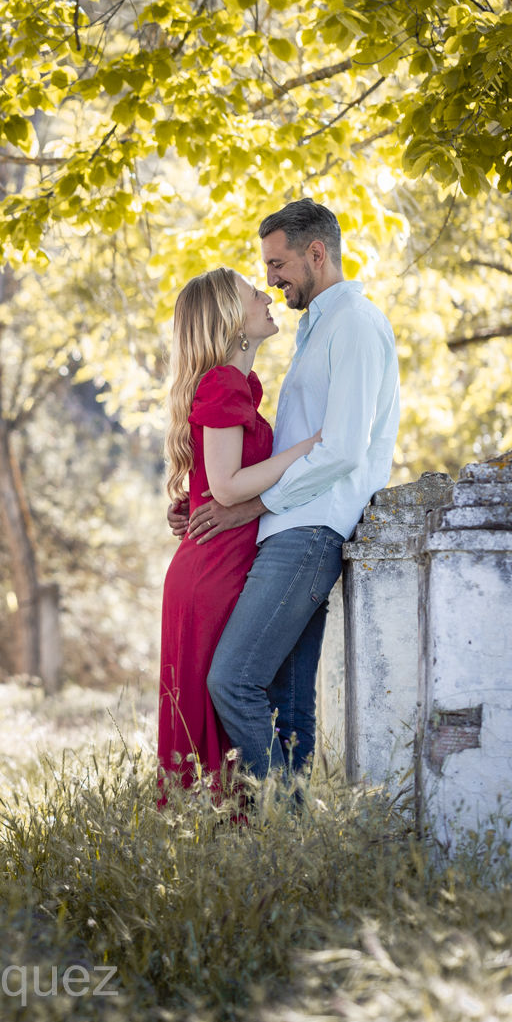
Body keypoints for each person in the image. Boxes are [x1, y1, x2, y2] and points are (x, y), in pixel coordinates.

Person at [169, 199, 400, 788]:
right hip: (286, 530)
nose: (270, 279)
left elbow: (344, 448)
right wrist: (203, 500)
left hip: (308, 530)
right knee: (288, 706)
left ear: (316, 254)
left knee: (232, 680)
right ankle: (292, 842)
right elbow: (255, 453)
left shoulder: (352, 323)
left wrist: (249, 506)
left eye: (277, 264)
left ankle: (287, 824)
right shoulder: (314, 332)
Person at [156, 268, 322, 801]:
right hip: (214, 572)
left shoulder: (237, 386)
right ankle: (251, 839)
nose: (267, 294)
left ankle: (244, 844)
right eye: (255, 292)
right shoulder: (224, 383)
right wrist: (311, 449)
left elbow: (215, 482)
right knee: (229, 705)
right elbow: (227, 487)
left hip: (215, 563)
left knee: (228, 712)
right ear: (230, 319)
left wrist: (195, 499)